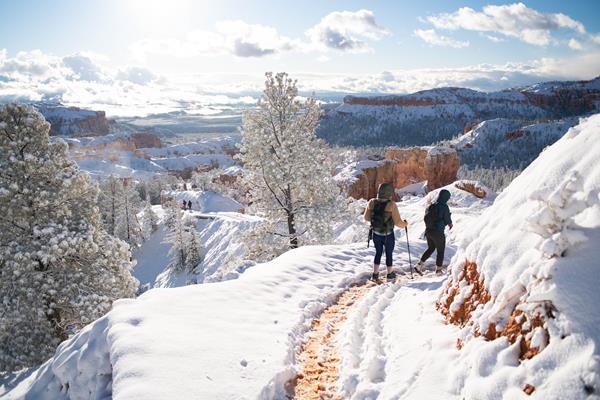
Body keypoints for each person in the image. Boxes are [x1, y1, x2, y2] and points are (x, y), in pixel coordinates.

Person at [364, 183, 408, 281]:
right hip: (388, 234)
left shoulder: (372, 202)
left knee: (378, 252)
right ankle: (390, 274)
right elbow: (398, 222)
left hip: (376, 233)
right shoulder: (391, 204)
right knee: (389, 253)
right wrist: (405, 224)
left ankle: (375, 274)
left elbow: (366, 218)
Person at [415, 189, 453, 275]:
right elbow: (447, 219)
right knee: (440, 250)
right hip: (438, 232)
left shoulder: (431, 205)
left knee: (431, 248)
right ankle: (438, 270)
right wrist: (450, 224)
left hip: (429, 231)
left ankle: (419, 265)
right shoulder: (444, 206)